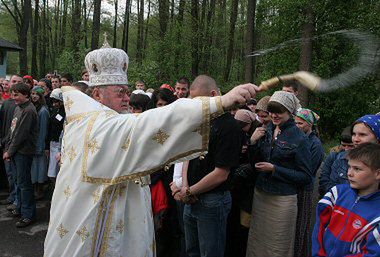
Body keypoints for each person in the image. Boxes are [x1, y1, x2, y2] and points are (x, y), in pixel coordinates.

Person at [44, 43, 258, 257]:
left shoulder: (94, 120)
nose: (127, 97)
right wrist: (220, 102)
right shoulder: (98, 127)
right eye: (120, 93)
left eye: (128, 91)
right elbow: (148, 124)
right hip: (94, 234)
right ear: (98, 95)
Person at [176, 75, 241, 257]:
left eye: (198, 102)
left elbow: (221, 173)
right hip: (190, 197)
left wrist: (190, 192)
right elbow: (189, 155)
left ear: (213, 95)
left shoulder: (229, 126)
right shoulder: (201, 121)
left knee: (210, 252)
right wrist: (186, 187)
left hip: (212, 201)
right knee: (192, 251)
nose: (195, 106)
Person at [246, 91, 312, 257]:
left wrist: (275, 169)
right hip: (261, 194)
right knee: (257, 242)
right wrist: (252, 142)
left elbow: (305, 176)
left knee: (278, 245)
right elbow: (254, 163)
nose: (274, 115)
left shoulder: (299, 139)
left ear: (290, 112)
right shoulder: (266, 131)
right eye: (271, 111)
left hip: (282, 199)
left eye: (279, 112)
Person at [312, 143, 380, 257]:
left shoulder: (377, 214)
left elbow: (372, 252)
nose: (349, 173)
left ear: (377, 173)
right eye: (349, 167)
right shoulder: (336, 193)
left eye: (357, 169)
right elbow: (319, 228)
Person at [3, 83, 38, 228]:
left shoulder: (29, 111)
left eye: (16, 95)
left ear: (26, 95)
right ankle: (20, 207)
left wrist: (9, 151)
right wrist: (8, 147)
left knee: (24, 184)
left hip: (23, 152)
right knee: (18, 181)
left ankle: (28, 215)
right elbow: (12, 130)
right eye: (12, 94)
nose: (13, 98)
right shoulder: (19, 108)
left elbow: (21, 135)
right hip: (16, 151)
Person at [319, 114, 380, 196]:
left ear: (377, 137)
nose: (355, 139)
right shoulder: (342, 158)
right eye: (354, 134)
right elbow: (332, 188)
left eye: (362, 135)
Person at [294, 108, 325, 257]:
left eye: (300, 123)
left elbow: (308, 171)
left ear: (309, 124)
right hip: (295, 186)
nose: (297, 126)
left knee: (301, 225)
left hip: (305, 189)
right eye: (296, 123)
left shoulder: (315, 145)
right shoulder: (300, 138)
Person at [0, 75, 23, 207]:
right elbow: (3, 123)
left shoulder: (24, 105)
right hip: (6, 142)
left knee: (18, 176)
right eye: (14, 82)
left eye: (19, 82)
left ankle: (17, 200)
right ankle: (13, 195)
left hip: (18, 145)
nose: (16, 84)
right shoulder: (7, 103)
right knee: (10, 173)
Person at [30, 86, 50, 200]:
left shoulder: (43, 111)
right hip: (33, 143)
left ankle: (40, 189)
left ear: (41, 96)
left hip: (39, 144)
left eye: (36, 94)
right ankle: (35, 187)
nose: (34, 96)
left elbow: (43, 130)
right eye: (32, 94)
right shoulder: (34, 108)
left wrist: (40, 146)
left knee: (40, 167)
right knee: (34, 167)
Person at [47, 89, 65, 182]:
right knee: (52, 173)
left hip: (60, 143)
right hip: (53, 142)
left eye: (56, 101)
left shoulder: (66, 111)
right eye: (53, 102)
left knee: (57, 172)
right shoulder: (54, 110)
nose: (54, 104)